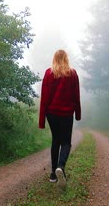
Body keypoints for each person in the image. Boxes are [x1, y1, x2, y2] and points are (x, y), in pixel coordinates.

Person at [39, 49, 81, 185]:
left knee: (55, 141)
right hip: (67, 114)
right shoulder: (72, 73)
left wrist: (42, 119)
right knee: (66, 142)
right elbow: (76, 96)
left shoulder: (48, 73)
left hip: (52, 114)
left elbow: (44, 97)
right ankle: (60, 166)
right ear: (66, 59)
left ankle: (53, 175)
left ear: (54, 59)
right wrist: (78, 114)